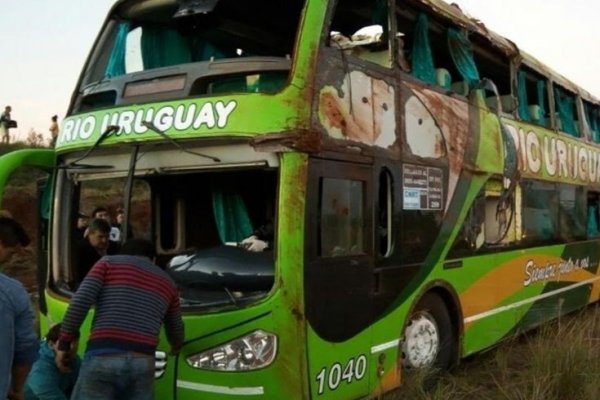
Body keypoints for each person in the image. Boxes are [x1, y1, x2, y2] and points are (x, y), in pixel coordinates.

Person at [57, 238, 184, 400]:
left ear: (122, 254)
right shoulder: (168, 283)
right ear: (153, 260)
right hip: (142, 362)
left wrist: (64, 343)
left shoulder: (108, 263)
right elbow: (176, 327)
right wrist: (176, 346)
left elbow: (80, 302)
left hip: (104, 355)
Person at [0, 217, 39, 400]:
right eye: (11, 252)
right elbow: (25, 348)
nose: (11, 258)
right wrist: (16, 390)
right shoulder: (12, 292)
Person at [23, 323, 81, 400]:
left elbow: (80, 388)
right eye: (66, 343)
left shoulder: (74, 359)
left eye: (75, 342)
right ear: (51, 344)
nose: (72, 347)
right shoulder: (40, 367)